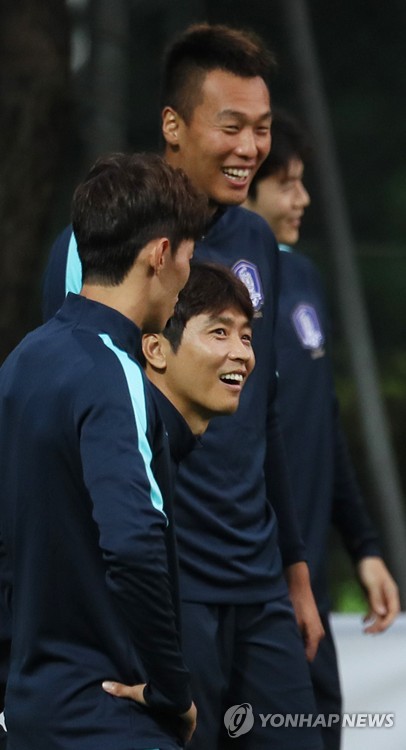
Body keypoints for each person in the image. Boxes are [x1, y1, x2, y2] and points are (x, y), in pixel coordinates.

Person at [41, 24, 325, 750]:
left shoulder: (258, 240)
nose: (250, 148)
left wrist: (294, 574)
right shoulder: (105, 241)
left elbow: (264, 418)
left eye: (262, 128)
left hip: (258, 586)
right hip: (169, 587)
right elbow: (74, 412)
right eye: (231, 126)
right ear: (174, 125)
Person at [0, 151, 210, 750]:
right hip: (109, 715)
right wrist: (171, 690)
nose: (187, 279)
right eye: (189, 258)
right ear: (160, 255)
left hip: (31, 713)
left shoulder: (20, 363)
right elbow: (134, 542)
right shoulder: (114, 371)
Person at [245, 109, 400, 749]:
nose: (303, 198)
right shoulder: (209, 281)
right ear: (246, 188)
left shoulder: (305, 277)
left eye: (304, 181)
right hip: (250, 593)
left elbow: (323, 426)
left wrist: (363, 545)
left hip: (308, 591)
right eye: (287, 183)